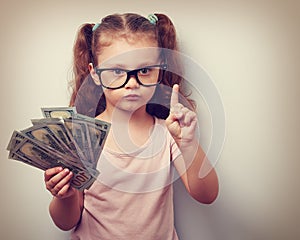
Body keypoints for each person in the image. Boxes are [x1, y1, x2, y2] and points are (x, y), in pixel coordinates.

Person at [44, 13, 219, 240]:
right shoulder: (81, 137)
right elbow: (66, 222)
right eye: (117, 71)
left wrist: (188, 144)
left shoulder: (168, 133)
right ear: (94, 74)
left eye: (145, 70)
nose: (133, 83)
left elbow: (208, 194)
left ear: (159, 70)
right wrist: (64, 196)